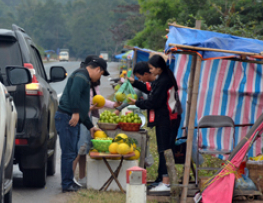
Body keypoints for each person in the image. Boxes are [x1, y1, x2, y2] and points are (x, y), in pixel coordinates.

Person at [55, 56, 109, 193]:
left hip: (70, 117)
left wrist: (90, 126)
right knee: (68, 153)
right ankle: (67, 184)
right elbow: (74, 93)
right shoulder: (82, 76)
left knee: (72, 152)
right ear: (97, 69)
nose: (99, 78)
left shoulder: (83, 76)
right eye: (101, 74)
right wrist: (75, 112)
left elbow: (83, 108)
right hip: (67, 117)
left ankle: (69, 181)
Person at [128, 55, 182, 192]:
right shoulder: (161, 78)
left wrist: (137, 102)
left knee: (165, 150)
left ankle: (166, 183)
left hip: (168, 119)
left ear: (159, 68)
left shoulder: (164, 80)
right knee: (162, 150)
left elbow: (154, 102)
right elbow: (151, 89)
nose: (150, 71)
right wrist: (134, 82)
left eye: (152, 68)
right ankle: (161, 179)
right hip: (164, 119)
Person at [72, 57, 121, 187]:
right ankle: (70, 178)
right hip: (80, 118)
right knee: (78, 149)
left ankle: (82, 177)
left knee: (84, 149)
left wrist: (113, 104)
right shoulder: (82, 80)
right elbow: (78, 102)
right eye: (100, 73)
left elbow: (98, 99)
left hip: (87, 119)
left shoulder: (95, 83)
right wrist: (91, 108)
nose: (100, 76)